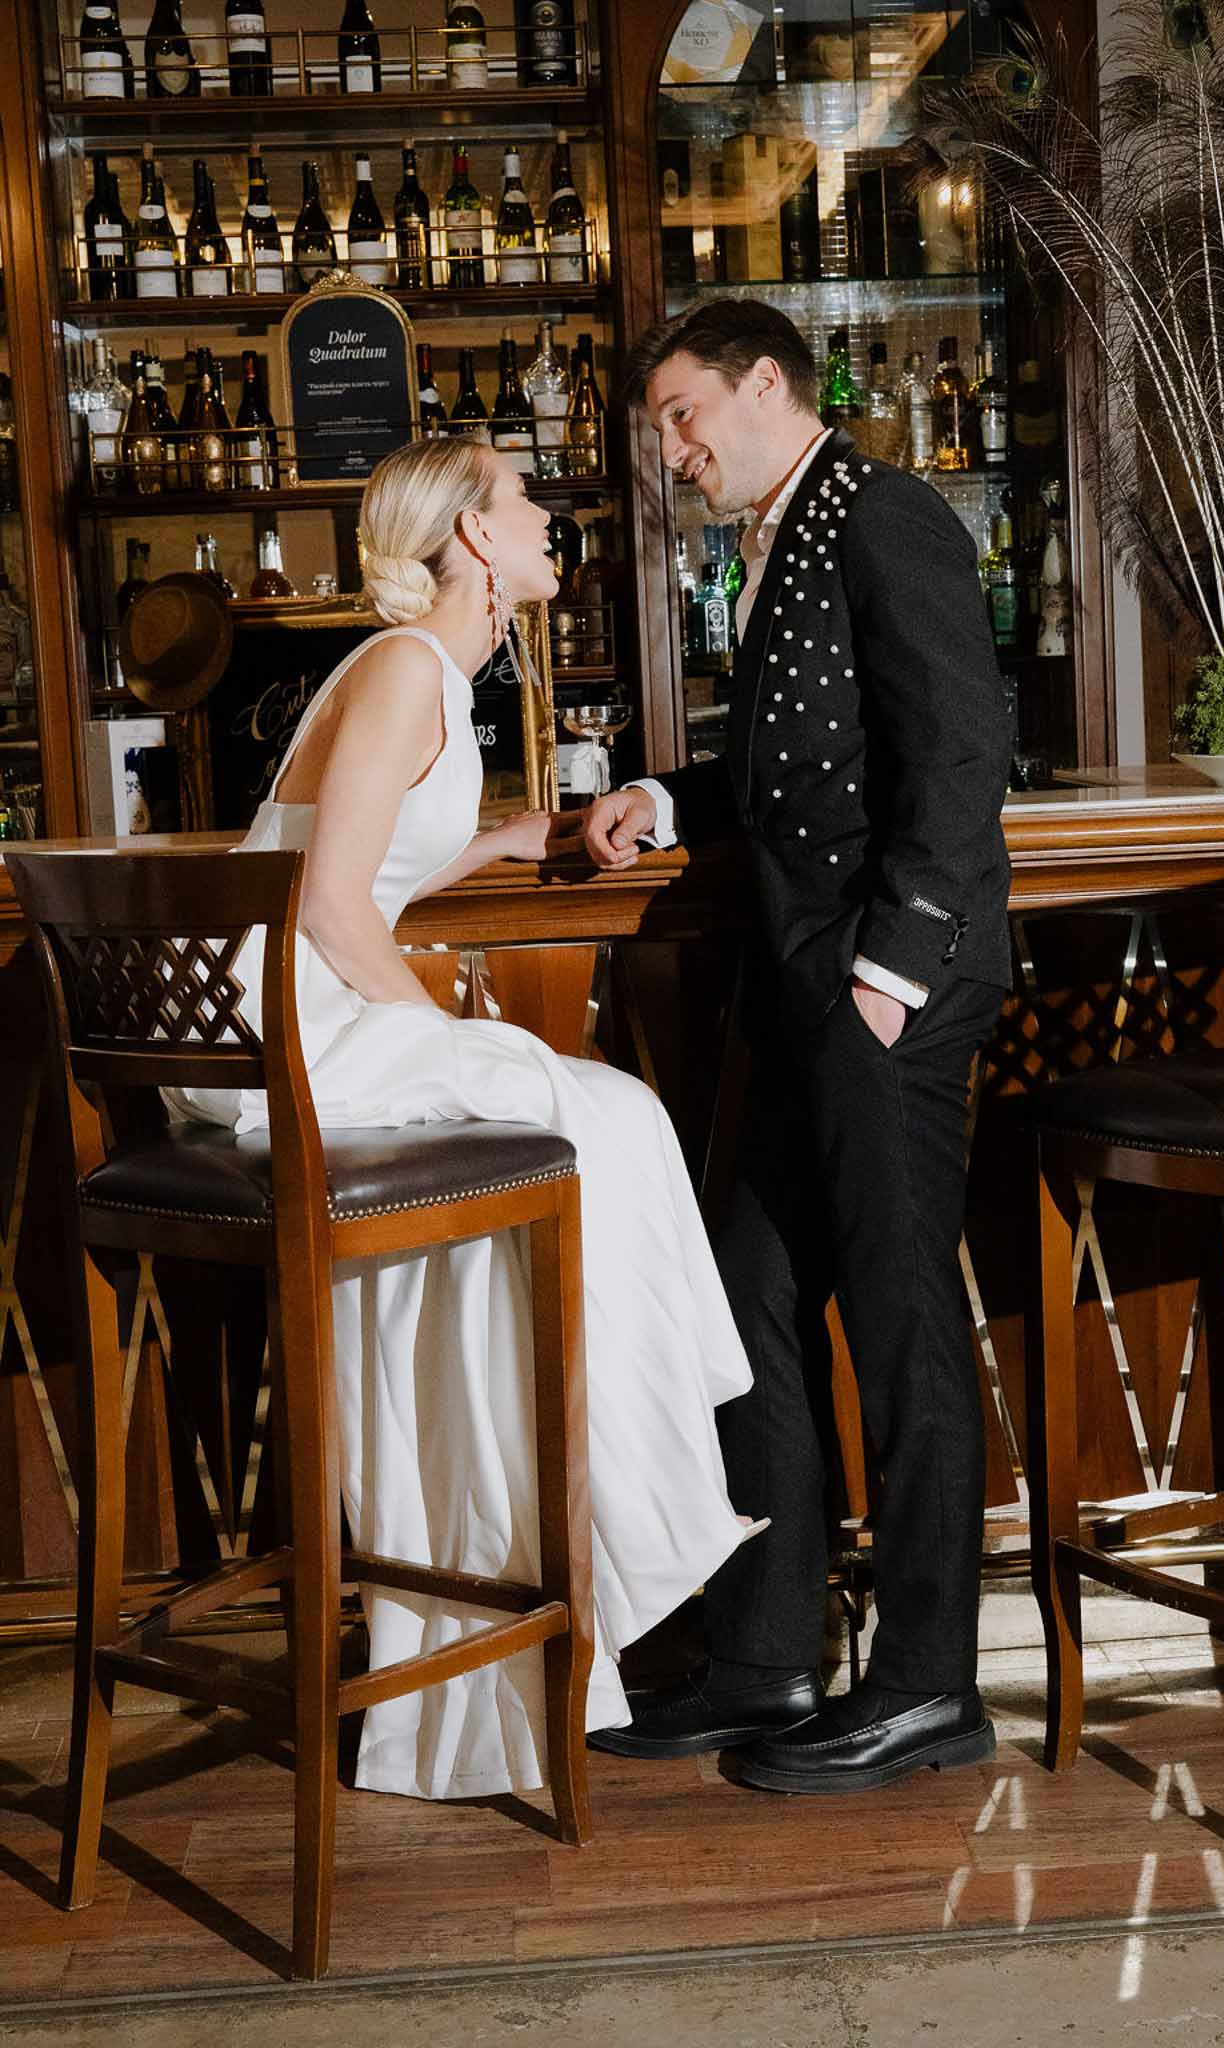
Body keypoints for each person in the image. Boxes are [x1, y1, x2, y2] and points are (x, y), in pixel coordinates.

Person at [169, 435, 761, 1801]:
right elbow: (328, 910)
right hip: (291, 1038)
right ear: (476, 540)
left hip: (283, 1027)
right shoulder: (401, 667)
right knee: (601, 1115)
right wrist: (441, 1037)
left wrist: (495, 841)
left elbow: (362, 868)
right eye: (523, 500)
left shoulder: (420, 670)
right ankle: (637, 1496)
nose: (547, 514)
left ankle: (574, 1531)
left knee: (590, 1118)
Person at [583, 300, 1013, 1794]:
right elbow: (795, 764)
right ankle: (767, 1657)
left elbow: (960, 750)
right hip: (807, 991)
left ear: (764, 382)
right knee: (747, 1297)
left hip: (882, 990)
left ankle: (928, 1684)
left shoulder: (881, 513)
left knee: (899, 1321)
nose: (674, 451)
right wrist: (663, 797)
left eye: (684, 416)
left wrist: (892, 971)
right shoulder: (786, 528)